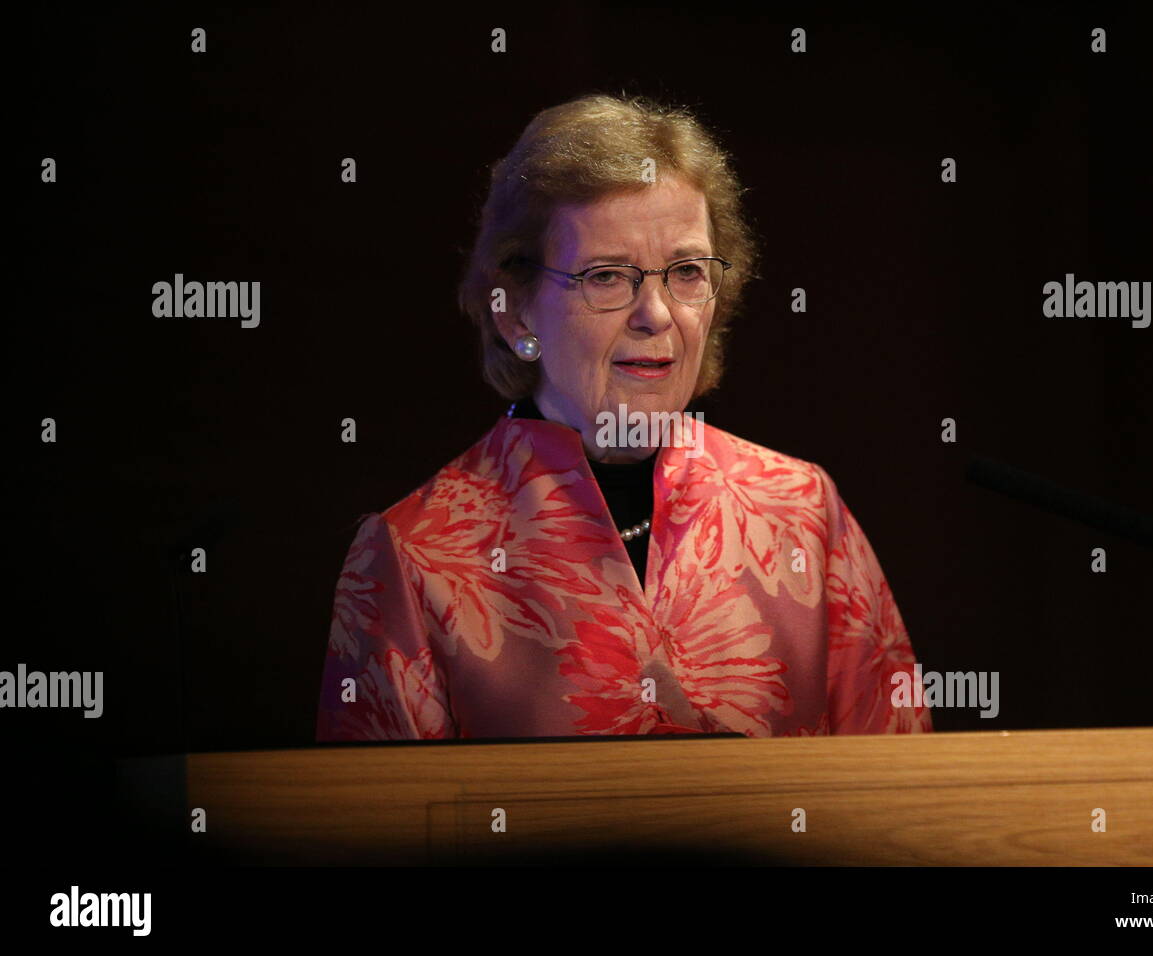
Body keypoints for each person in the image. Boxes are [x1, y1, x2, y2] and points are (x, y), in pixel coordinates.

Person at [315, 93, 933, 739]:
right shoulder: (411, 553)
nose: (657, 314)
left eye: (687, 272)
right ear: (516, 312)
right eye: (608, 277)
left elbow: (902, 789)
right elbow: (392, 828)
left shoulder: (803, 510)